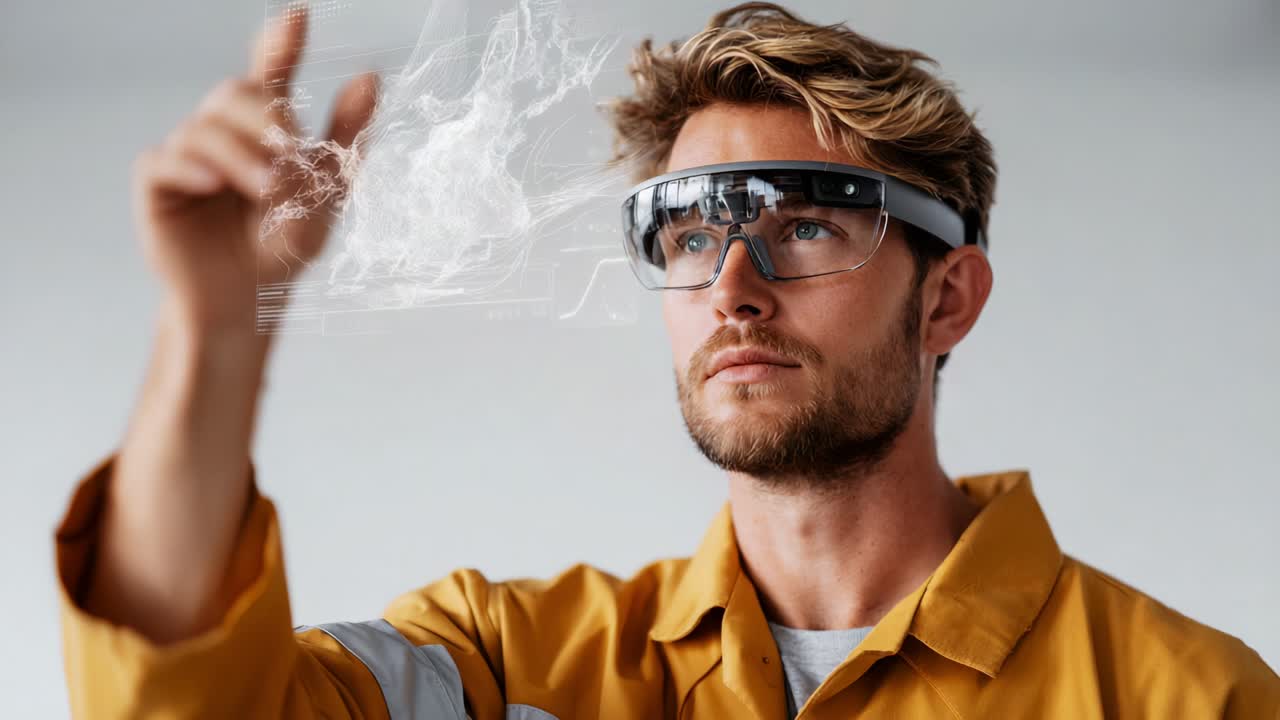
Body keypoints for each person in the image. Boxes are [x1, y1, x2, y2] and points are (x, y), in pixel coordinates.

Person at [54, 3, 1279, 719]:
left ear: (945, 298)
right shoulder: (503, 665)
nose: (731, 288)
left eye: (806, 228)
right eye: (688, 237)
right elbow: (184, 701)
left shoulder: (1187, 697)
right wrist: (214, 332)